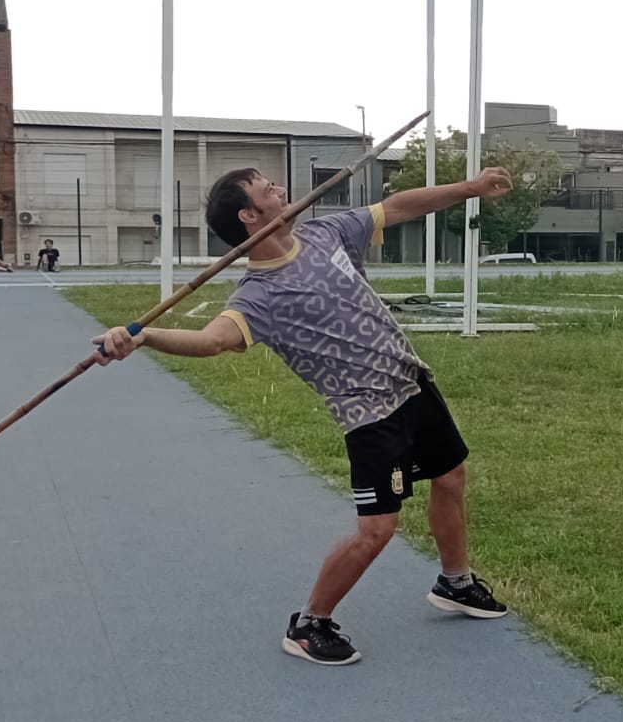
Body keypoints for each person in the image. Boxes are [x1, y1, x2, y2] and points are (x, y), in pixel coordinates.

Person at [93, 165, 514, 666]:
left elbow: (398, 206)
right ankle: (310, 622)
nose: (281, 190)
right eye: (268, 190)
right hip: (369, 414)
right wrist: (143, 336)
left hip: (412, 384)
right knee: (377, 531)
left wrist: (469, 189)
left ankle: (455, 582)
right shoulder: (258, 296)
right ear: (250, 216)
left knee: (450, 477)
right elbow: (213, 341)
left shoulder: (326, 232)